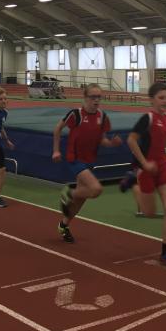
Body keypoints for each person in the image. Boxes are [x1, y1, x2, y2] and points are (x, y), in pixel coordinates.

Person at [127, 82, 166, 269]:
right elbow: (131, 140)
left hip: (162, 166)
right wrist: (144, 164)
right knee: (150, 213)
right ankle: (133, 184)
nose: (165, 101)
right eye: (161, 98)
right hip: (147, 169)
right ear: (151, 100)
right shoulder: (147, 118)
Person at [54, 84, 122, 243]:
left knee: (80, 199)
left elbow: (102, 140)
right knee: (96, 189)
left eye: (99, 97)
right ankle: (68, 193)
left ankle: (64, 225)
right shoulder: (75, 114)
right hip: (75, 159)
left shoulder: (103, 117)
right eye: (93, 97)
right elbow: (57, 129)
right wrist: (56, 150)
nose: (96, 100)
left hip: (90, 160)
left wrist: (112, 143)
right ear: (85, 97)